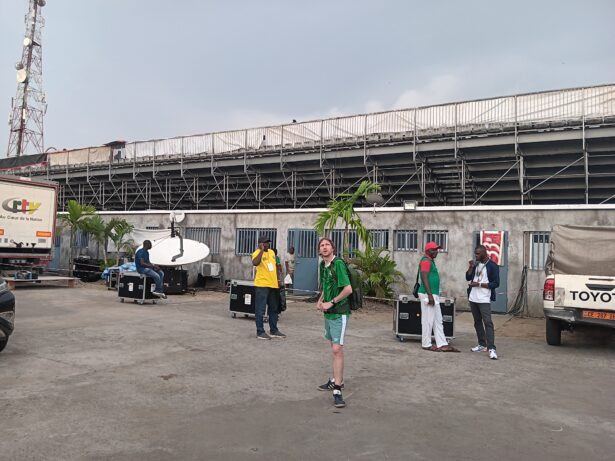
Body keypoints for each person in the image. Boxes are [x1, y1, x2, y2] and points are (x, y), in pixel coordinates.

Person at [316, 237, 353, 408]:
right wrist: (321, 299)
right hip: (328, 313)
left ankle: (337, 388)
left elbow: (348, 289)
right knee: (333, 347)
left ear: (333, 248)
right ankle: (336, 379)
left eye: (327, 245)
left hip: (339, 312)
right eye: (322, 245)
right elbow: (325, 284)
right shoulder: (323, 265)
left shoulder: (338, 264)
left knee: (337, 349)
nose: (324, 248)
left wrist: (332, 302)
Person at [418, 242, 458, 352]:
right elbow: (424, 277)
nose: (436, 252)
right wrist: (430, 295)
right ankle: (426, 344)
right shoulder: (426, 261)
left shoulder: (430, 261)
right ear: (427, 251)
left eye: (437, 250)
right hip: (428, 294)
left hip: (433, 294)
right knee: (428, 320)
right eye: (434, 250)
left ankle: (442, 344)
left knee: (438, 320)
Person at [466, 244, 500, 360]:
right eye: (475, 253)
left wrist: (479, 284)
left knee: (488, 322)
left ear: (484, 253)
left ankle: (492, 348)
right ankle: (482, 344)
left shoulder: (493, 266)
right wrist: (470, 267)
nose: (476, 256)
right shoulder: (476, 264)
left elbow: (496, 283)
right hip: (473, 297)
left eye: (478, 254)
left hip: (484, 298)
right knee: (477, 322)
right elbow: (467, 277)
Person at [252, 236, 286, 340]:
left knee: (274, 309)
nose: (267, 244)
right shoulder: (256, 253)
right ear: (260, 243)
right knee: (260, 310)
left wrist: (279, 280)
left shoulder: (272, 252)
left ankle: (274, 330)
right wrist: (261, 250)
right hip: (262, 285)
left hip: (273, 285)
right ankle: (260, 332)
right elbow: (255, 263)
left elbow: (275, 266)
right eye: (265, 243)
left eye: (268, 243)